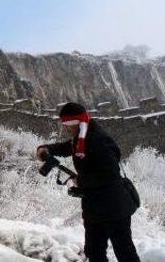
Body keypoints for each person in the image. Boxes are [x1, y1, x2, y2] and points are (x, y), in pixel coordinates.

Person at [36, 102, 140, 262]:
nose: (65, 128)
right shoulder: (82, 137)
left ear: (76, 122)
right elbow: (68, 147)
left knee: (125, 253)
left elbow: (110, 174)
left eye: (67, 124)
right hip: (94, 207)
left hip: (114, 207)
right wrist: (47, 149)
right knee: (94, 251)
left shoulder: (99, 140)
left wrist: (81, 180)